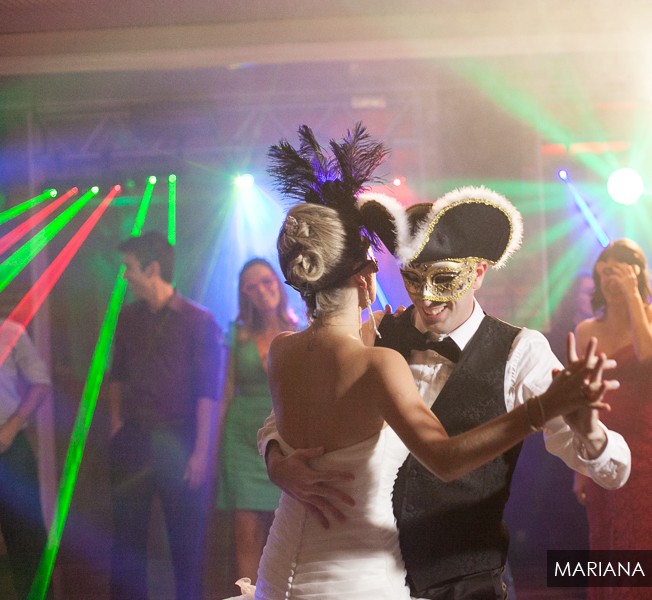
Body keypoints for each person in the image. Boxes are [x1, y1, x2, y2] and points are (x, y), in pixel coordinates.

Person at [229, 124, 622, 600]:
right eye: (413, 278)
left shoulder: (522, 352)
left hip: (465, 583)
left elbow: (612, 471)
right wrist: (278, 461)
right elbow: (290, 409)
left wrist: (593, 434)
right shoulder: (378, 337)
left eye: (445, 279)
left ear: (478, 272)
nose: (427, 299)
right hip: (376, 576)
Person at [108, 231, 222, 600]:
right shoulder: (127, 318)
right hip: (135, 437)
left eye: (128, 268)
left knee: (185, 544)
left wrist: (202, 452)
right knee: (126, 542)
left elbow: (208, 392)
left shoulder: (198, 321)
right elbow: (117, 376)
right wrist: (116, 425)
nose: (124, 275)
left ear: (152, 268)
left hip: (180, 437)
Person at [571, 239, 652, 600]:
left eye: (619, 273)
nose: (611, 282)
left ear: (635, 275)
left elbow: (648, 355)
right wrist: (579, 467)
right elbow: (583, 403)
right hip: (602, 443)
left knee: (647, 539)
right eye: (605, 274)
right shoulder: (586, 330)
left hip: (648, 443)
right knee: (608, 538)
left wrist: (634, 296)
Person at [217, 258, 296, 584]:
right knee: (246, 534)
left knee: (289, 533)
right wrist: (212, 450)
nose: (262, 291)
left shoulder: (301, 329)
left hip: (287, 437)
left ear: (278, 282)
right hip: (242, 440)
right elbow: (225, 392)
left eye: (266, 281)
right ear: (244, 294)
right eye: (252, 286)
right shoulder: (236, 335)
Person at [0, 320, 52, 599]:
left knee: (28, 546)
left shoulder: (9, 331)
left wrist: (13, 425)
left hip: (9, 447)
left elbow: (41, 382)